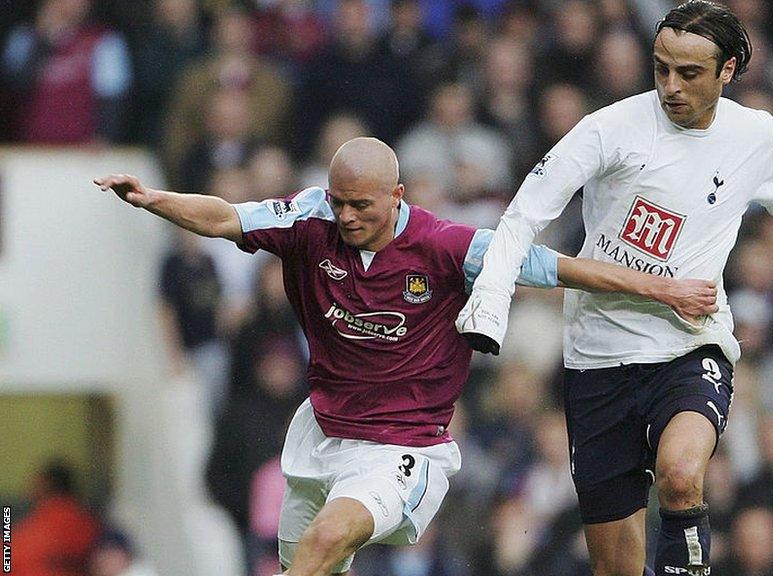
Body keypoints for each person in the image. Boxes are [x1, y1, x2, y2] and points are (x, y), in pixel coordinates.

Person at [93, 137, 715, 576]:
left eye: (361, 204)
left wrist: (662, 287)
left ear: (396, 195)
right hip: (322, 430)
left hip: (402, 446)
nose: (346, 215)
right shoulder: (309, 219)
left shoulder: (449, 247)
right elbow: (226, 216)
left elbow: (558, 268)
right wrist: (153, 198)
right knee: (304, 562)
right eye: (339, 201)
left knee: (333, 534)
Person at [456, 2, 773, 575]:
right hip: (598, 359)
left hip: (690, 346)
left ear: (728, 71)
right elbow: (521, 218)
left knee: (682, 477)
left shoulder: (753, 134)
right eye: (660, 68)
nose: (670, 86)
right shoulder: (611, 129)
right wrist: (488, 308)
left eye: (688, 73)